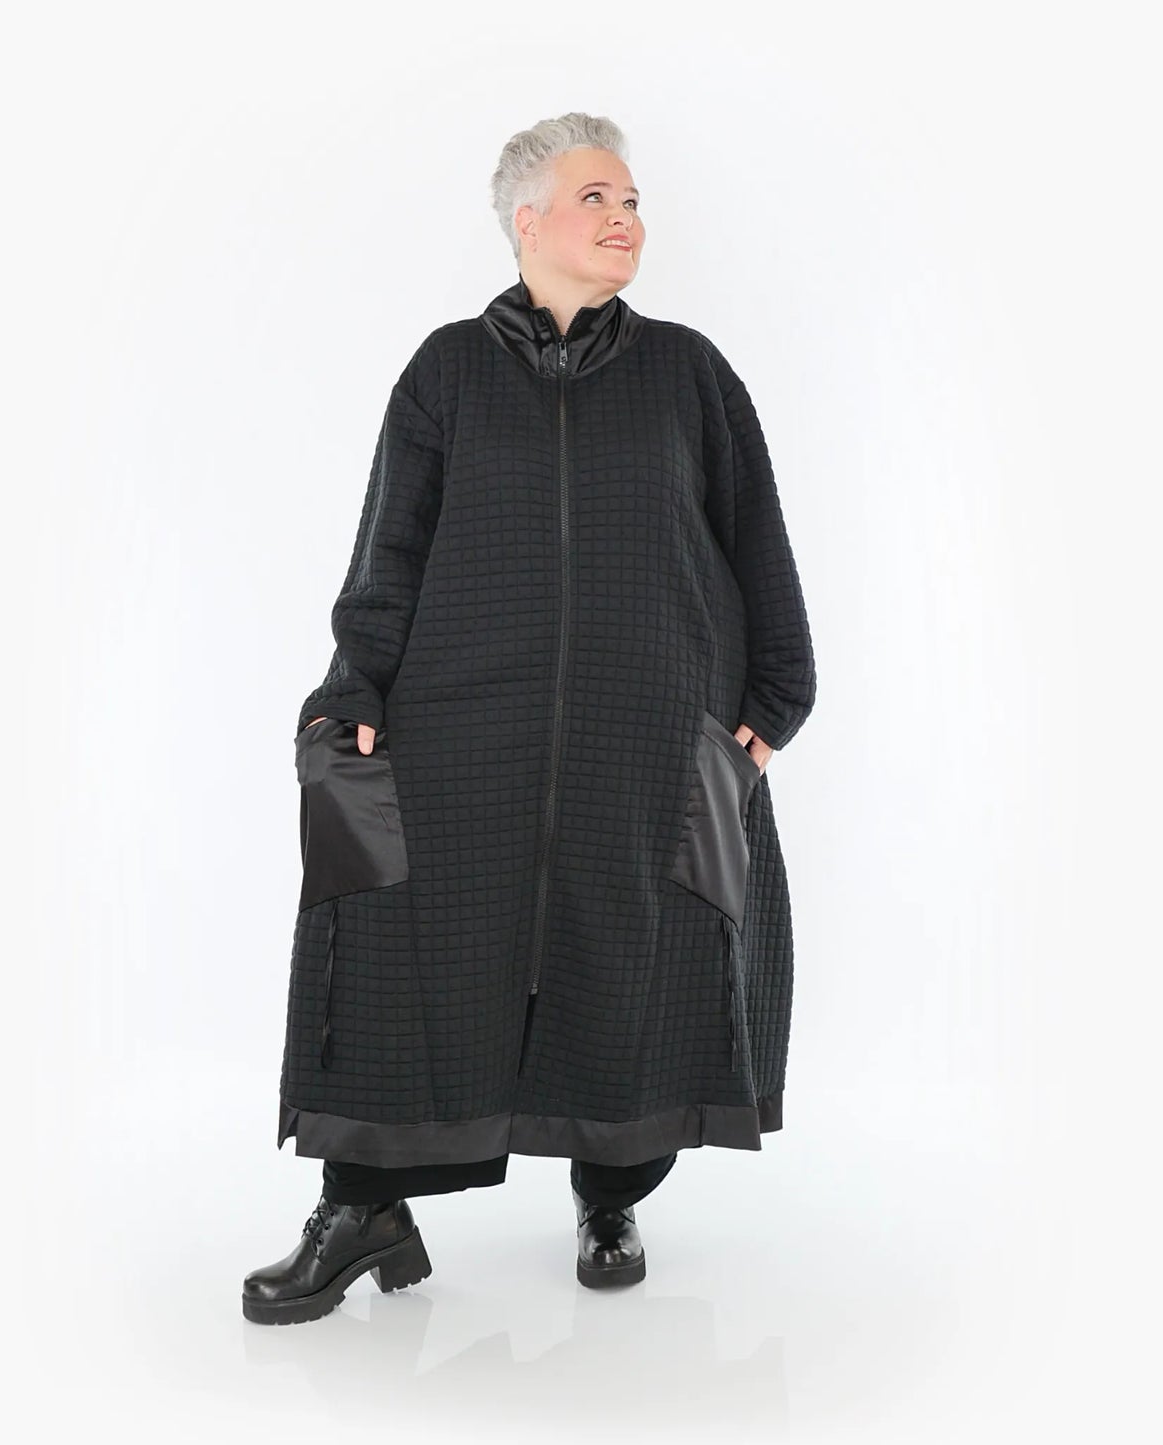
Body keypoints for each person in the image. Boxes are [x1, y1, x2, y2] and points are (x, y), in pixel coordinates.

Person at [243, 112, 816, 1325]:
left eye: (632, 200)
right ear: (527, 220)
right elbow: (389, 550)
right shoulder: (446, 371)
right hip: (463, 727)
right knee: (406, 947)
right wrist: (353, 689)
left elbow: (756, 545)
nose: (625, 219)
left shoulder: (689, 374)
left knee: (636, 957)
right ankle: (362, 1205)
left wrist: (774, 700)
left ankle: (610, 1190)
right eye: (597, 197)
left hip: (644, 732)